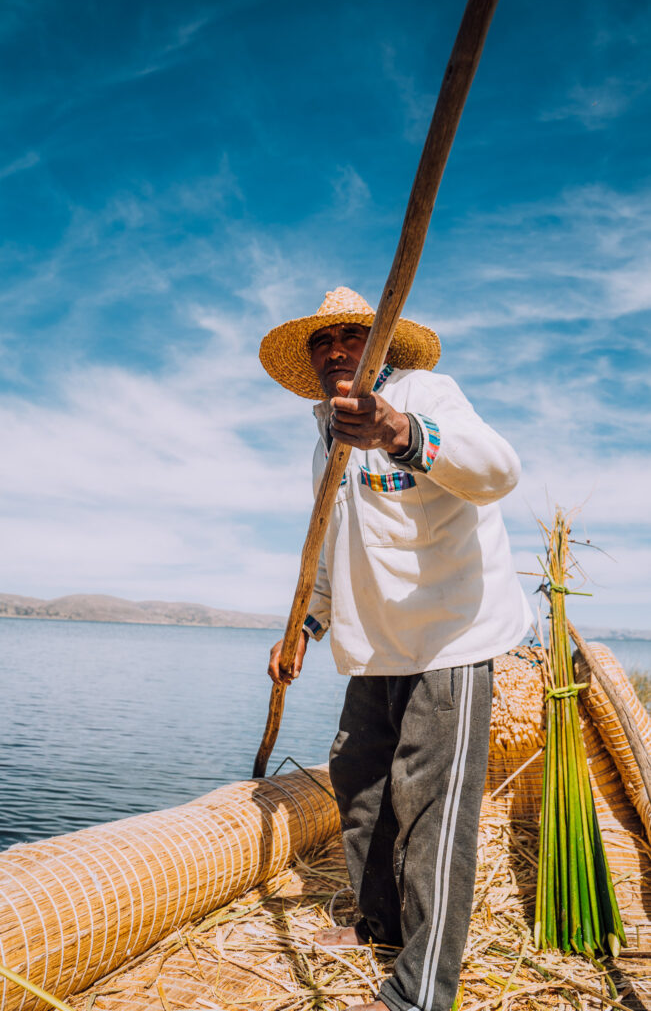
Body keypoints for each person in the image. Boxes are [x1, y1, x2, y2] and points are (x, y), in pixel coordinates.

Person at [259, 287, 531, 1011]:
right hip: (374, 646)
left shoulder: (423, 392)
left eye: (354, 335)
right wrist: (304, 628)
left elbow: (497, 470)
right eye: (324, 341)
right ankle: (377, 924)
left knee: (431, 809)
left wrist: (399, 431)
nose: (338, 350)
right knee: (360, 784)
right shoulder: (322, 432)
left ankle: (421, 989)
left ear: (382, 343)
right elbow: (329, 547)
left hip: (450, 637)